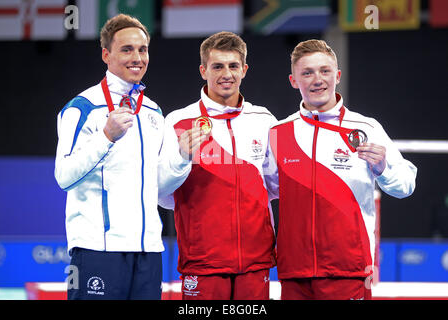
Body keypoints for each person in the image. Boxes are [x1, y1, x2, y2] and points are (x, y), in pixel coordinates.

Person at [263, 39, 417, 300]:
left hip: (349, 268)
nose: (317, 79)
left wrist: (382, 169)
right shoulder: (279, 132)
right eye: (307, 73)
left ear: (337, 75)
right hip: (294, 271)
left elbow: (406, 186)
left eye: (324, 71)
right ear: (293, 80)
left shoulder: (366, 128)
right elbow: (266, 192)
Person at [158, 31, 277, 300]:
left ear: (244, 70)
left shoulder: (265, 119)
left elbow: (274, 185)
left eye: (233, 66)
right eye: (218, 66)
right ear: (203, 70)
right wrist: (181, 157)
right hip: (203, 260)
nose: (227, 74)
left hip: (256, 260)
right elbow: (162, 195)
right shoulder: (179, 121)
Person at [54, 14, 164, 300]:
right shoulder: (82, 108)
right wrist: (105, 136)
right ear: (107, 55)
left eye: (143, 49)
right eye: (127, 49)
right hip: (98, 250)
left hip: (148, 251)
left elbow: (159, 185)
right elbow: (64, 177)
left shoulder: (153, 112)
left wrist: (184, 159)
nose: (137, 57)